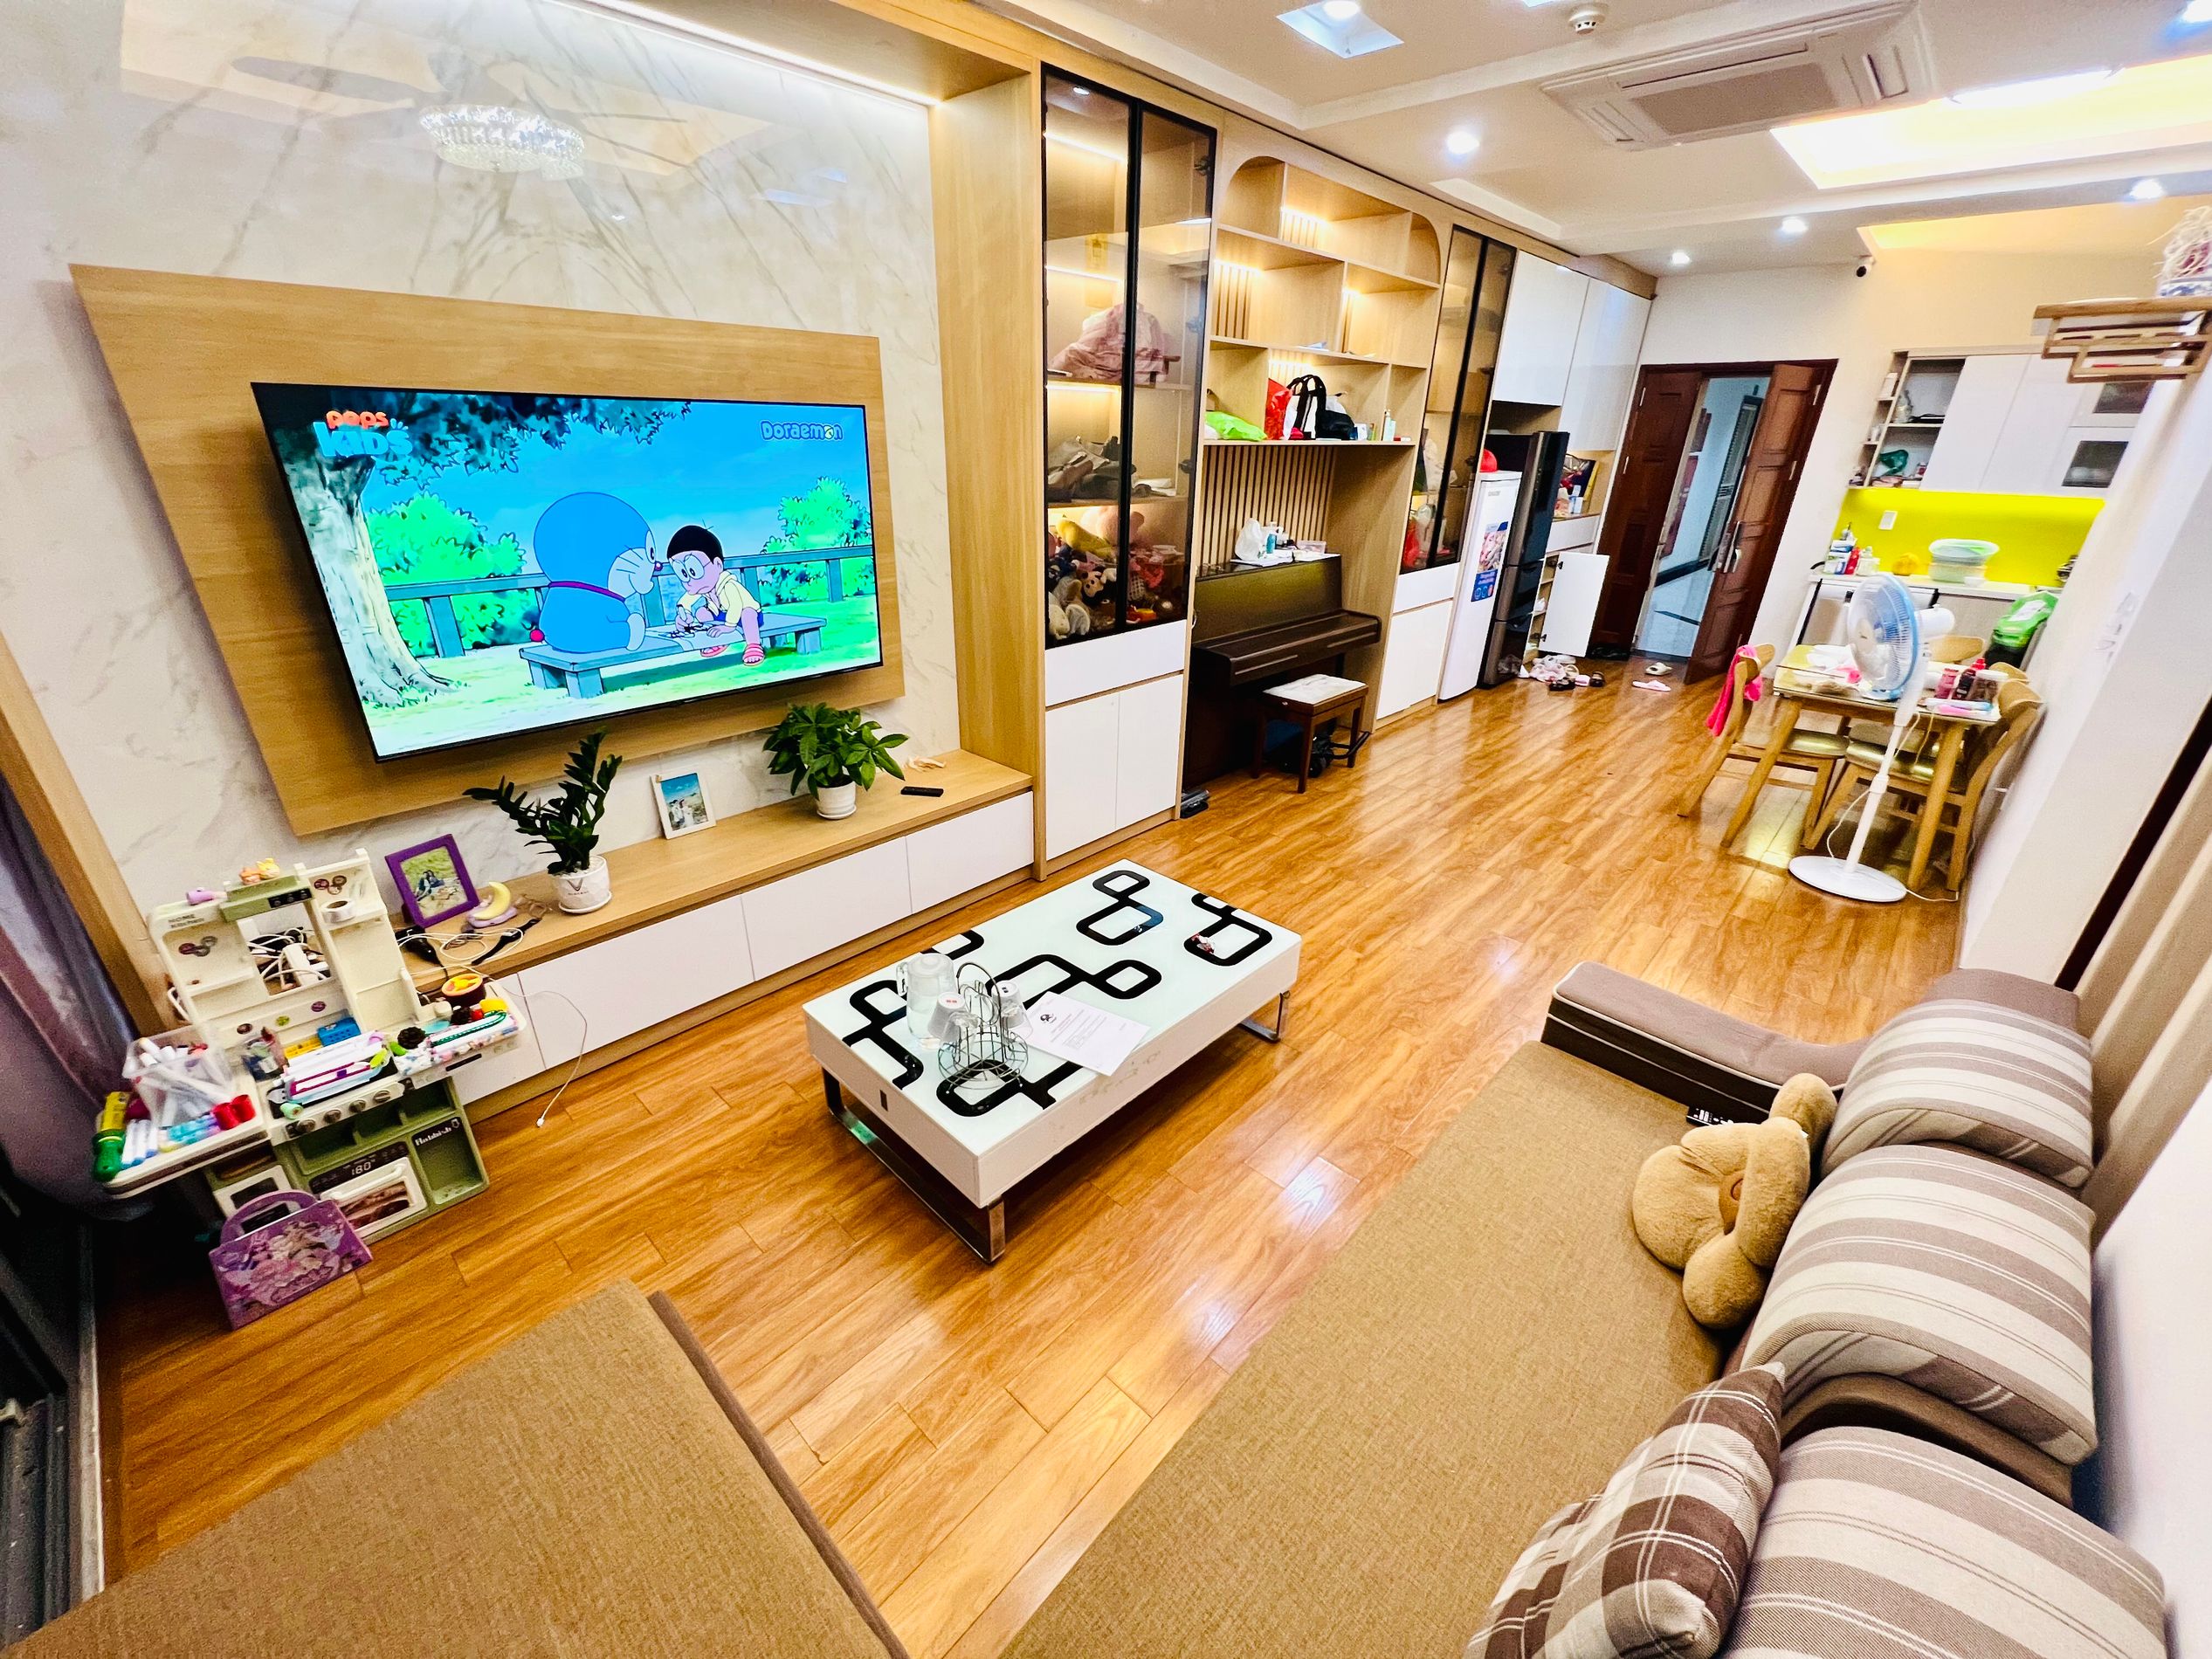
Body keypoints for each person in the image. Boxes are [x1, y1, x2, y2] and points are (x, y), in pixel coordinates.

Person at [667, 525, 765, 665]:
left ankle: (754, 645)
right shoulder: (703, 587)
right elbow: (685, 602)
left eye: (694, 571)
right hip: (722, 615)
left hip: (746, 615)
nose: (689, 581)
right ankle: (718, 641)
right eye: (683, 574)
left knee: (748, 613)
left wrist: (729, 627)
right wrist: (684, 616)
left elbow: (736, 606)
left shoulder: (728, 585)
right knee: (701, 612)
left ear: (718, 565)